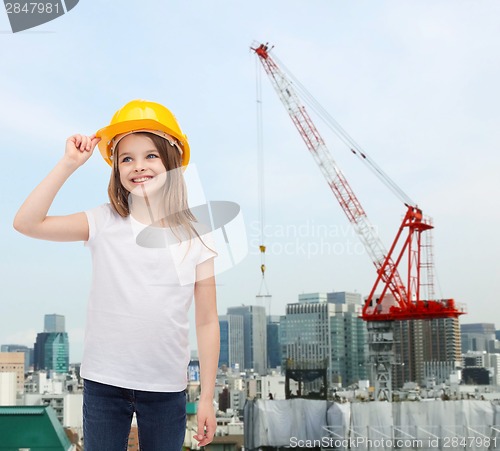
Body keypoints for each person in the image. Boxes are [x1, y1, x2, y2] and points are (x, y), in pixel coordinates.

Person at [13, 99, 220, 450]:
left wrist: (206, 398)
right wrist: (68, 165)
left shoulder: (196, 234)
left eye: (150, 156)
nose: (138, 167)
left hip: (167, 387)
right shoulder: (103, 221)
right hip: (104, 383)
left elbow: (207, 321)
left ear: (172, 161)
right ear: (116, 168)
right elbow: (26, 223)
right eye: (127, 158)